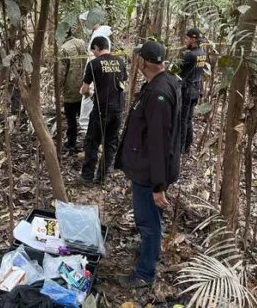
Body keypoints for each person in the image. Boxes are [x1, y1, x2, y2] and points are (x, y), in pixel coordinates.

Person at [114, 40, 181, 288]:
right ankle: (148, 251)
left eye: (138, 58)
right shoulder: (165, 82)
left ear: (144, 62)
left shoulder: (159, 94)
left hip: (149, 174)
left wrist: (158, 185)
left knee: (148, 222)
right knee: (150, 220)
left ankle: (145, 273)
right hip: (149, 168)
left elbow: (159, 142)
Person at [80, 36, 127, 185]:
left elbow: (84, 89)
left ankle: (87, 177)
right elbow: (121, 83)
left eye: (93, 50)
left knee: (92, 142)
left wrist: (87, 93)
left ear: (97, 48)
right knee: (110, 143)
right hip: (118, 109)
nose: (93, 54)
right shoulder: (120, 61)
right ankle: (102, 177)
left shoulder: (94, 64)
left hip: (101, 109)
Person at [78, 11, 113, 133]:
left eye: (84, 22)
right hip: (97, 70)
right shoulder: (99, 34)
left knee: (89, 96)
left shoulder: (100, 36)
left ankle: (86, 126)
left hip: (96, 71)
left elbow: (97, 56)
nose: (83, 25)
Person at [59, 27, 88, 151]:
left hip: (70, 90)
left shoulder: (63, 49)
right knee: (84, 115)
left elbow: (61, 72)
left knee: (71, 119)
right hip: (84, 86)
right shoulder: (81, 43)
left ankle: (71, 142)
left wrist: (58, 87)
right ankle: (88, 141)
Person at [180, 27, 206, 155]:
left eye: (187, 38)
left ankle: (181, 148)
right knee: (188, 119)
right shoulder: (202, 53)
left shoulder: (189, 55)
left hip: (188, 90)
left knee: (183, 120)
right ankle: (187, 146)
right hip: (196, 89)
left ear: (193, 40)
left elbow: (179, 71)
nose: (185, 40)